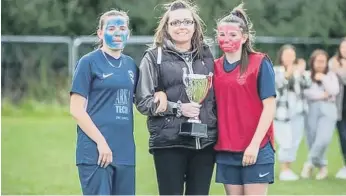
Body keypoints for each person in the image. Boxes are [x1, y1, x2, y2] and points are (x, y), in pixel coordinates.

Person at [69, 9, 167, 195]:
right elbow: (76, 109)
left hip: (125, 152)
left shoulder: (130, 65)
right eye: (111, 28)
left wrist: (160, 92)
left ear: (128, 33)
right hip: (95, 151)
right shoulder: (88, 62)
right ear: (100, 33)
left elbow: (143, 98)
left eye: (122, 28)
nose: (117, 32)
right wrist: (101, 143)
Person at [135, 0, 217, 195]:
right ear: (166, 27)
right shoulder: (153, 57)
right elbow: (142, 101)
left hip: (205, 142)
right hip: (169, 142)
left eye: (187, 22)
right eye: (176, 22)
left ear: (195, 26)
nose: (182, 26)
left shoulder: (207, 55)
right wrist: (178, 108)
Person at [213, 3, 276, 195]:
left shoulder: (259, 62)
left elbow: (269, 107)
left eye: (232, 35)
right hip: (226, 149)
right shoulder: (213, 67)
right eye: (222, 34)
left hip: (256, 147)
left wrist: (255, 144)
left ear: (244, 37)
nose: (226, 39)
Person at [300, 49, 339, 180]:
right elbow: (305, 92)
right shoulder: (306, 75)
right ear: (313, 62)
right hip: (311, 109)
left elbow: (334, 90)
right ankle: (322, 167)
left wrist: (323, 78)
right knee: (312, 139)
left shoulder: (331, 75)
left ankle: (309, 163)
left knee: (324, 139)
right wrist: (322, 95)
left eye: (323, 61)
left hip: (329, 109)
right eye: (318, 61)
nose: (321, 64)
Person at [273, 44, 310, 181]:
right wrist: (287, 74)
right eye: (286, 55)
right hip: (282, 113)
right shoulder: (276, 71)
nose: (289, 57)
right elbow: (277, 88)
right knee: (285, 141)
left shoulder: (299, 70)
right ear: (281, 56)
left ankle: (288, 168)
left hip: (298, 112)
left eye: (291, 55)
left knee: (295, 141)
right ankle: (284, 170)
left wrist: (301, 72)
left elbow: (308, 85)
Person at [329, 37, 346, 179]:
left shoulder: (337, 66)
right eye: (343, 48)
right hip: (340, 108)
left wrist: (340, 70)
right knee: (344, 137)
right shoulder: (332, 62)